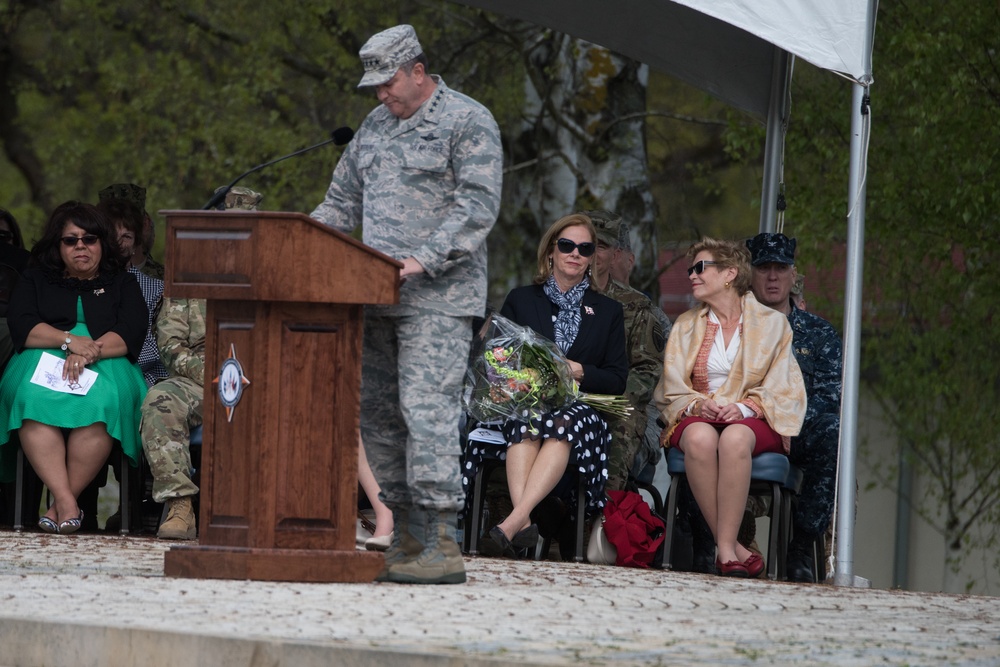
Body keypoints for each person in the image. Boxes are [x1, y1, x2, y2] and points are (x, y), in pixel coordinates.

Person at [310, 24, 502, 584]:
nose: (380, 96)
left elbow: (476, 206)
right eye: (373, 87)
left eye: (387, 83)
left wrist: (420, 260)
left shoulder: (467, 120)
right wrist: (301, 243)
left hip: (438, 298)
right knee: (380, 418)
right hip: (373, 300)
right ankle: (405, 536)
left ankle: (441, 539)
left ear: (418, 71)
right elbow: (341, 203)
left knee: (427, 412)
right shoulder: (373, 128)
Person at [472, 213, 627, 558]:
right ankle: (522, 522)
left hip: (583, 411)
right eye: (567, 245)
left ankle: (514, 524)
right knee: (527, 417)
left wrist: (577, 371)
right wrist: (527, 377)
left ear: (590, 259)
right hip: (529, 403)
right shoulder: (522, 299)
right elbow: (499, 358)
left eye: (584, 248)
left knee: (562, 422)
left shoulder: (608, 311)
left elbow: (618, 379)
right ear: (551, 253)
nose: (575, 253)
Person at [653, 237, 805, 577]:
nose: (692, 275)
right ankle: (731, 548)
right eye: (691, 269)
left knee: (735, 438)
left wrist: (746, 408)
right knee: (699, 440)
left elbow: (785, 385)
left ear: (730, 274)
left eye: (700, 268)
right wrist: (697, 404)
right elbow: (671, 385)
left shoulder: (772, 324)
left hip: (753, 417)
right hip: (699, 416)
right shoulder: (686, 324)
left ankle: (725, 548)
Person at [0, 201, 147, 534]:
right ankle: (67, 503)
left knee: (104, 401)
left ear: (102, 243)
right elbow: (22, 325)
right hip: (44, 351)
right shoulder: (36, 279)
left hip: (107, 357)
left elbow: (130, 331)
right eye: (71, 239)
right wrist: (69, 342)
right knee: (28, 397)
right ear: (58, 245)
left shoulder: (122, 282)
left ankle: (58, 505)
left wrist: (88, 351)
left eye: (90, 238)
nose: (81, 245)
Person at [140, 186, 261, 540]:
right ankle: (180, 505)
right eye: (230, 233)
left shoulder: (277, 277)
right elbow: (170, 346)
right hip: (201, 378)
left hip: (266, 377)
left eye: (246, 234)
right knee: (160, 401)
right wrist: (217, 375)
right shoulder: (189, 277)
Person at [747, 232, 842, 582]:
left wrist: (786, 425)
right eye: (764, 268)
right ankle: (707, 543)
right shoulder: (732, 325)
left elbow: (829, 396)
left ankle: (801, 546)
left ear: (793, 274)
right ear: (751, 272)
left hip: (796, 432)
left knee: (832, 431)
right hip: (746, 427)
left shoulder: (819, 334)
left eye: (780, 268)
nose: (772, 277)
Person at [585, 210, 664, 493]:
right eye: (583, 243)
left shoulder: (636, 307)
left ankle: (600, 518)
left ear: (616, 255)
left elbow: (647, 372)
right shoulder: (551, 296)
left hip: (616, 404)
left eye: (601, 246)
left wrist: (603, 397)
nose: (591, 253)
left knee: (623, 423)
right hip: (563, 398)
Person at [97, 195, 167, 387]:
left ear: (136, 244)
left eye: (126, 236)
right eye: (112, 234)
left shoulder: (156, 289)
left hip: (137, 374)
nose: (118, 242)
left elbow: (152, 351)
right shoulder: (82, 281)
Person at [98, 183, 164, 280]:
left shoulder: (165, 279)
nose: (117, 241)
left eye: (126, 235)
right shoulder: (90, 275)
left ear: (145, 224)